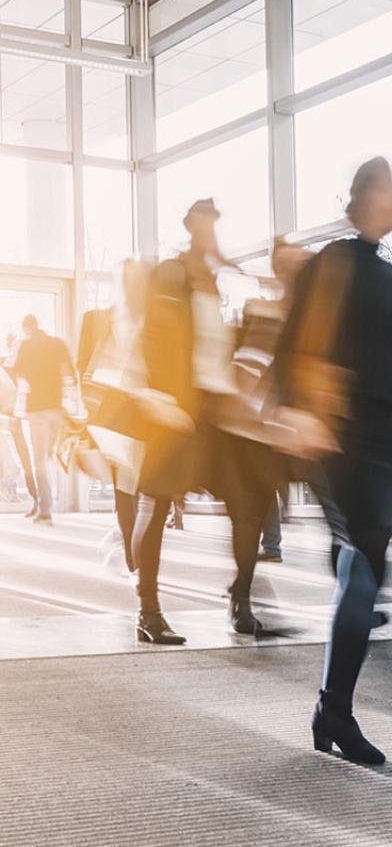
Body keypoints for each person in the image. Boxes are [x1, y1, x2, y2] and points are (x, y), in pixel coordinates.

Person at [275, 157, 392, 764]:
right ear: (362, 199)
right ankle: (334, 711)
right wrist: (306, 411)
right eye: (384, 191)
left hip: (381, 436)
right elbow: (295, 347)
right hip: (339, 436)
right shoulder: (333, 264)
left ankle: (331, 708)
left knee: (367, 565)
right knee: (362, 565)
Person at [132, 198, 233, 646]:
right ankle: (148, 612)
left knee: (243, 494)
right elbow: (153, 335)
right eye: (206, 224)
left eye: (215, 225)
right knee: (154, 508)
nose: (211, 233)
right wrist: (163, 399)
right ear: (192, 227)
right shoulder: (173, 273)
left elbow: (212, 346)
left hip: (208, 407)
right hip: (173, 410)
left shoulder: (210, 278)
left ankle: (243, 595)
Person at [211, 237, 312, 634]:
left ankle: (241, 589)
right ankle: (241, 598)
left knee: (258, 514)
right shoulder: (265, 313)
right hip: (245, 435)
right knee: (247, 518)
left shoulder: (307, 319)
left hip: (277, 437)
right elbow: (243, 368)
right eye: (286, 266)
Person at [80, 259, 155, 577]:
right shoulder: (97, 319)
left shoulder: (153, 319)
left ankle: (137, 549)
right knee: (126, 489)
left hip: (148, 412)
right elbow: (81, 363)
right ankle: (131, 554)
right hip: (113, 416)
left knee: (146, 488)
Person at [12, 315, 74, 525]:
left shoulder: (26, 346)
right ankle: (50, 501)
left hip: (36, 408)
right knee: (49, 456)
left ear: (27, 328)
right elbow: (69, 373)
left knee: (39, 459)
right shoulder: (58, 344)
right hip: (56, 408)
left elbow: (18, 373)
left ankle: (45, 508)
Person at [2, 333, 38, 516]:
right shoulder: (7, 366)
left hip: (15, 420)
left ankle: (35, 498)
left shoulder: (16, 368)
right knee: (22, 459)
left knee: (24, 459)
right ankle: (33, 498)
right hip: (10, 419)